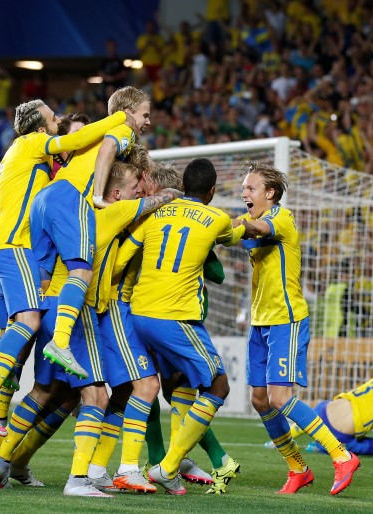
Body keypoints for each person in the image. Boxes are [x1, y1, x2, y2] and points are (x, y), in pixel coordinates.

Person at [0, 158, 182, 497]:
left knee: (43, 392)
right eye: (134, 187)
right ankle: (80, 479)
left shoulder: (79, 214)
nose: (138, 192)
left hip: (50, 306)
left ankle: (1, 461)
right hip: (78, 312)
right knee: (97, 395)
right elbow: (156, 201)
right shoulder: (111, 212)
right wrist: (181, 193)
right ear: (116, 193)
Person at [0, 99, 130, 437]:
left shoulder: (20, 161)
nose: (57, 119)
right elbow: (71, 142)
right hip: (15, 249)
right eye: (53, 117)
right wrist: (119, 118)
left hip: (2, 246)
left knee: (14, 336)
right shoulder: (31, 144)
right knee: (28, 323)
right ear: (41, 128)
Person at [111, 157, 242, 495]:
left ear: (182, 187)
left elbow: (122, 259)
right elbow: (231, 245)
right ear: (211, 190)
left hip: (135, 313)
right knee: (218, 386)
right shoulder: (216, 218)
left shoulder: (153, 215)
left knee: (153, 388)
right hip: (174, 317)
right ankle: (168, 466)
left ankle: (135, 465)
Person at [235, 161, 361, 495]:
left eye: (250, 187)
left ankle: (342, 455)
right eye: (244, 188)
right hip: (260, 321)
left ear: (270, 193)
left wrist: (224, 223)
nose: (244, 192)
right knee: (260, 399)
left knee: (280, 397)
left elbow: (255, 229)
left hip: (285, 319)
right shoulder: (252, 221)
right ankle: (298, 469)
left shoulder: (281, 217)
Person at [29, 87, 149, 386]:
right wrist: (97, 195)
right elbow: (110, 147)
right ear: (129, 110)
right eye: (145, 114)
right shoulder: (123, 128)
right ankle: (60, 340)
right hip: (70, 199)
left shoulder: (98, 134)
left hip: (45, 199)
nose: (147, 122)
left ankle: (2, 380)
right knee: (82, 269)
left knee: (44, 277)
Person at [271, 371, 373, 460]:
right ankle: (325, 446)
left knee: (321, 414)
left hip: (323, 410)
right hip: (340, 433)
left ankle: (288, 436)